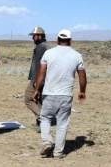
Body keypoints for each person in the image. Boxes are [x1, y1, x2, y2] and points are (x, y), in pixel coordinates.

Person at [33, 29, 86, 158]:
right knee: (62, 123)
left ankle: (47, 141)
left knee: (45, 118)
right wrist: (82, 91)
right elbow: (82, 75)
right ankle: (58, 152)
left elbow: (41, 73)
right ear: (70, 41)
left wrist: (37, 90)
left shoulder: (48, 53)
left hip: (49, 93)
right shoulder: (77, 55)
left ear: (57, 40)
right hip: (66, 95)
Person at [25, 26, 48, 128]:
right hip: (42, 78)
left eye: (34, 36)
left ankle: (42, 118)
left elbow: (39, 66)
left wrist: (36, 81)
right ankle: (41, 124)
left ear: (40, 36)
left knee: (28, 98)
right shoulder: (43, 46)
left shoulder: (41, 47)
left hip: (38, 78)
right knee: (38, 100)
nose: (33, 38)